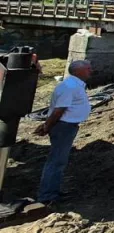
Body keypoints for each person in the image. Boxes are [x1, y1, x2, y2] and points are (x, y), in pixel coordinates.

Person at [35, 60, 92, 205]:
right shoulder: (70, 87)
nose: (90, 71)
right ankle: (47, 196)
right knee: (56, 162)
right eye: (87, 68)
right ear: (78, 71)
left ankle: (52, 191)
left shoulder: (73, 85)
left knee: (59, 161)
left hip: (67, 126)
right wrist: (47, 126)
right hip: (63, 127)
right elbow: (59, 110)